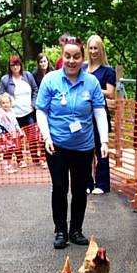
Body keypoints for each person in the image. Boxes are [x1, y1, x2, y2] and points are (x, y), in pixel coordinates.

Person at [36, 36, 108, 249]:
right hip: (56, 145)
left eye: (76, 56)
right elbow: (41, 110)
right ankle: (60, 231)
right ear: (62, 56)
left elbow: (99, 112)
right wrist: (46, 136)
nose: (71, 61)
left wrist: (103, 141)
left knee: (79, 189)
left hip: (83, 147)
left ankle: (76, 229)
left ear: (82, 58)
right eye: (67, 56)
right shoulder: (50, 80)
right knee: (59, 187)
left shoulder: (92, 82)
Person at [85, 35, 116, 194]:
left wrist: (93, 89)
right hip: (84, 114)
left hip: (99, 114)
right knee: (85, 149)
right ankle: (87, 183)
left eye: (96, 48)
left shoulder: (108, 71)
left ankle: (102, 184)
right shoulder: (84, 69)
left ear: (101, 50)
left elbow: (110, 93)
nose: (93, 51)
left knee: (100, 147)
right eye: (90, 48)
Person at [0, 55, 38, 167]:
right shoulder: (5, 80)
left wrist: (33, 103)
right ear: (9, 67)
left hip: (28, 112)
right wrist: (6, 109)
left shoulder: (28, 76)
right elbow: (1, 95)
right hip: (13, 115)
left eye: (17, 64)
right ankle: (18, 160)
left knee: (33, 137)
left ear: (21, 65)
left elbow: (35, 89)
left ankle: (36, 158)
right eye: (13, 65)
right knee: (14, 138)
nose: (15, 67)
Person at [0, 93, 25, 172]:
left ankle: (20, 161)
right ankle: (7, 163)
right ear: (0, 104)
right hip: (6, 134)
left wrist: (19, 131)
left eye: (7, 102)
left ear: (10, 103)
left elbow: (15, 123)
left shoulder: (12, 112)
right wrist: (1, 133)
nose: (5, 105)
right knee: (8, 149)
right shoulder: (0, 113)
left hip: (14, 133)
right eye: (3, 103)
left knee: (18, 147)